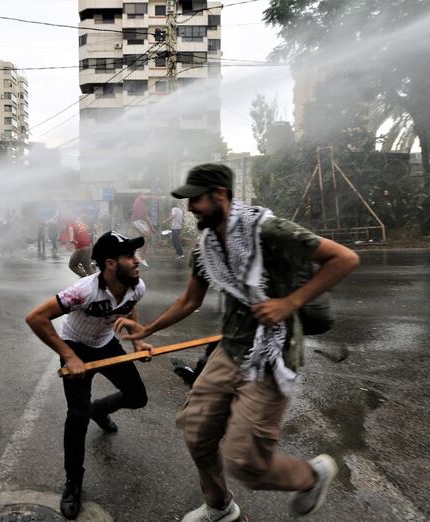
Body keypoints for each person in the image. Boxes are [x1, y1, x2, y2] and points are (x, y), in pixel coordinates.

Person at [116, 164, 360, 522]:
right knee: (197, 431)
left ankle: (312, 476)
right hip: (231, 349)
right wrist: (146, 330)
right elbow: (190, 301)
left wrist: (288, 303)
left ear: (220, 194)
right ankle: (220, 507)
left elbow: (344, 258)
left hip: (271, 354)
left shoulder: (268, 230)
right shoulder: (207, 245)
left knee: (247, 463)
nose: (190, 208)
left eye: (196, 199)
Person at [25, 231, 152, 520]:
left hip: (106, 343)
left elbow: (130, 309)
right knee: (77, 415)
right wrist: (69, 356)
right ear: (110, 264)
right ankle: (73, 482)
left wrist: (138, 341)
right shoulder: (83, 291)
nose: (137, 261)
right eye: (130, 256)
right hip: (75, 345)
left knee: (137, 396)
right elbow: (35, 318)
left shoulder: (137, 286)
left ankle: (100, 409)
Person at [131, 192, 161, 268]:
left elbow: (146, 217)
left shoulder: (143, 206)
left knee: (146, 237)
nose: (145, 196)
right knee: (147, 236)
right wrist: (158, 197)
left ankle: (140, 256)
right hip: (137, 221)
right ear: (140, 195)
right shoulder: (138, 200)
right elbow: (146, 197)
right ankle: (139, 254)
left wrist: (151, 228)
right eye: (143, 194)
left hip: (140, 222)